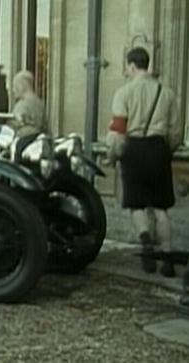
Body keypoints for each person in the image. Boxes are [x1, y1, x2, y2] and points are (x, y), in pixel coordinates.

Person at [108, 47, 183, 276]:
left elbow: (118, 131)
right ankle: (168, 258)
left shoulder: (124, 93)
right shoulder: (168, 94)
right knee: (161, 208)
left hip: (134, 149)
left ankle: (145, 242)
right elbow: (177, 131)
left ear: (131, 65)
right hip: (158, 149)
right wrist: (165, 151)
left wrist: (113, 156)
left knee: (136, 205)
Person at [8, 70, 48, 138]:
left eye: (14, 86)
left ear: (21, 86)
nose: (13, 90)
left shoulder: (21, 106)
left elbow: (13, 128)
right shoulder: (40, 104)